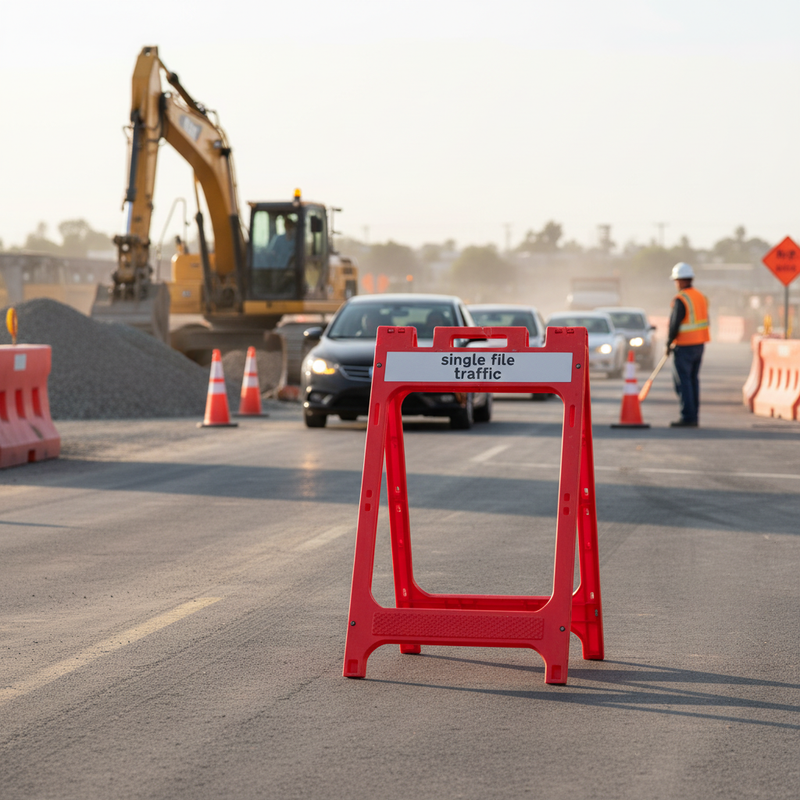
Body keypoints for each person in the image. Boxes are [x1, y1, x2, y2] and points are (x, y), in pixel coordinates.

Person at [666, 262, 710, 427]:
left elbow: (674, 323)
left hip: (684, 345)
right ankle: (693, 415)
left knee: (683, 382)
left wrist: (669, 343)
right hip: (699, 344)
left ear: (682, 280)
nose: (676, 284)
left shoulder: (681, 298)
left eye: (676, 280)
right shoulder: (700, 297)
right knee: (692, 380)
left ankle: (688, 417)